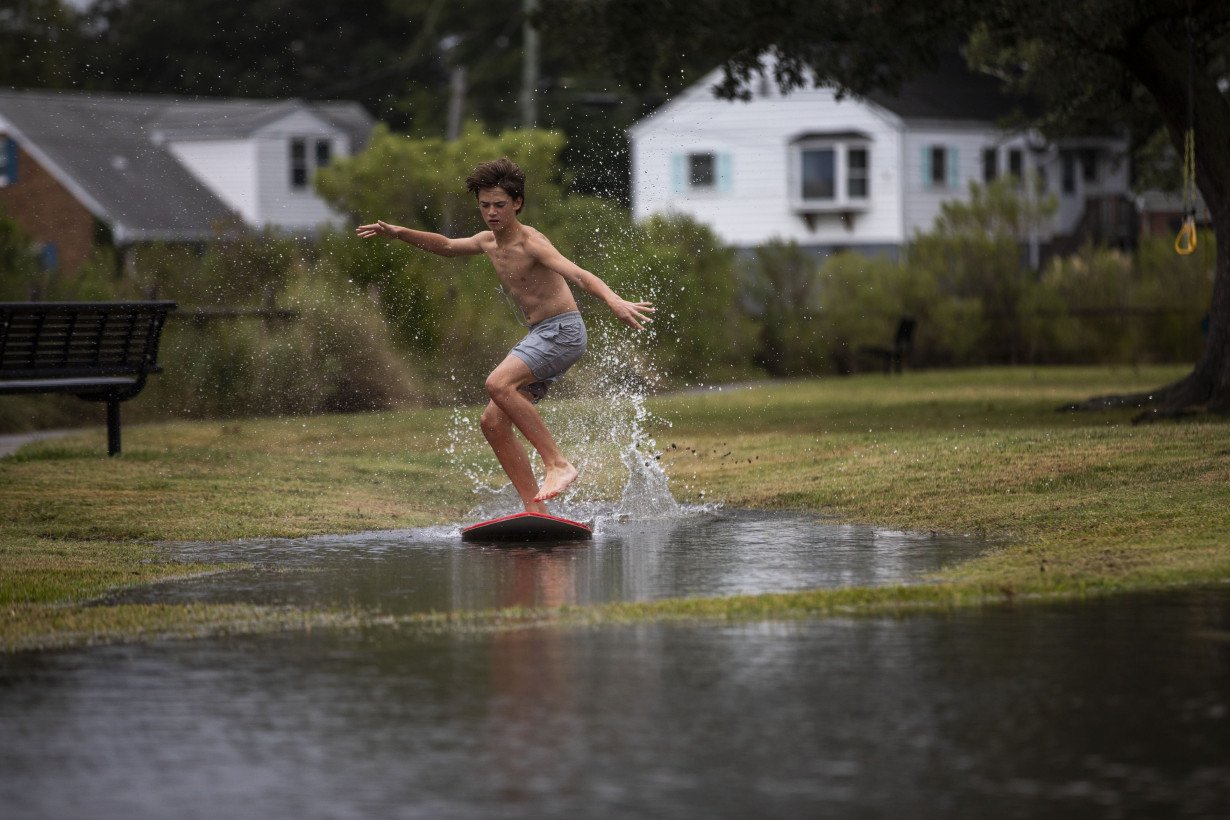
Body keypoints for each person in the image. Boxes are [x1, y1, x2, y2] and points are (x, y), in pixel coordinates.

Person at [356, 157, 654, 513]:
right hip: (541, 334)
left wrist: (612, 299)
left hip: (563, 331)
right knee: (492, 422)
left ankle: (558, 464)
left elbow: (577, 273)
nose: (492, 213)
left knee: (498, 383)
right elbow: (447, 246)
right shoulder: (487, 242)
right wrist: (400, 233)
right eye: (485, 206)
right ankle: (536, 510)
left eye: (500, 205)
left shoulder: (532, 244)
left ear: (517, 203)